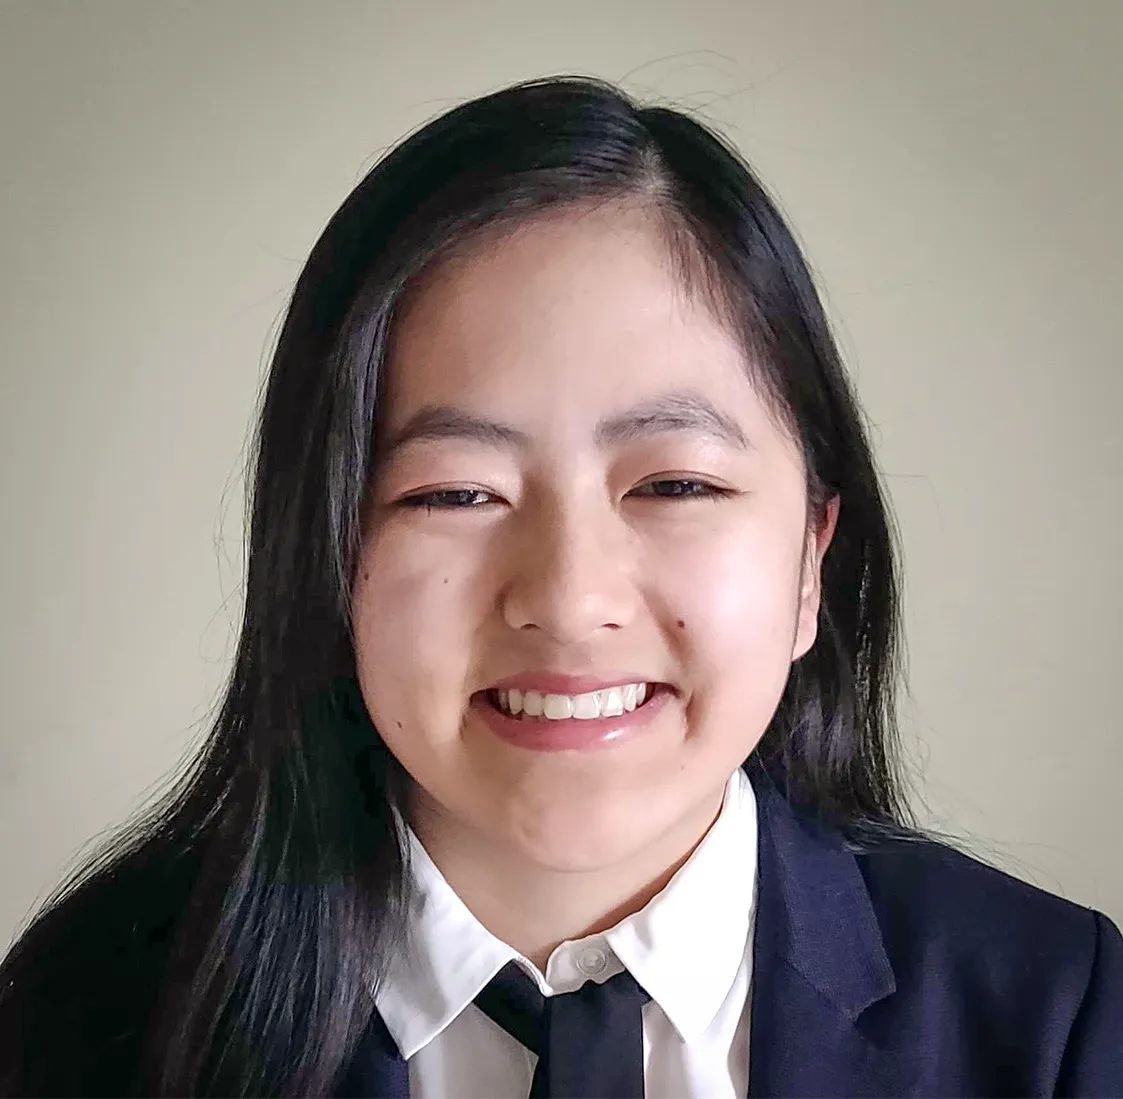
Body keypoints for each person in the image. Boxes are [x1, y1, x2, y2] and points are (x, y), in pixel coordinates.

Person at [1, 75, 1119, 1099]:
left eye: (675, 481)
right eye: (454, 492)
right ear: (326, 552)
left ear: (810, 561)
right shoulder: (83, 1023)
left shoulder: (1059, 1018)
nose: (570, 599)